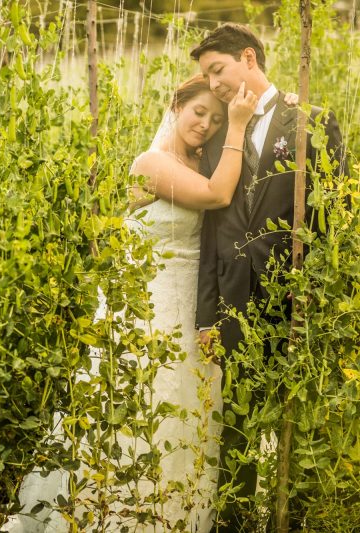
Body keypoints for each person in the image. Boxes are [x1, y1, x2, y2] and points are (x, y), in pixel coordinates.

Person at [5, 74, 291, 533]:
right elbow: (218, 196)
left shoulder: (209, 164)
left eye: (216, 119)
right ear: (176, 108)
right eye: (200, 112)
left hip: (194, 311)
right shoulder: (151, 163)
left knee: (191, 418)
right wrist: (237, 124)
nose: (206, 124)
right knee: (139, 409)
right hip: (148, 306)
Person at [190, 23, 345, 530]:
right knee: (235, 425)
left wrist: (318, 300)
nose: (212, 84)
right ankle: (233, 523)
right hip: (234, 298)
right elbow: (212, 233)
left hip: (292, 297)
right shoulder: (218, 137)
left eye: (218, 70)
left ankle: (294, 520)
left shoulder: (311, 122)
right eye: (206, 76)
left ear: (249, 59)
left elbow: (333, 219)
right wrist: (206, 315)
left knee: (295, 424)